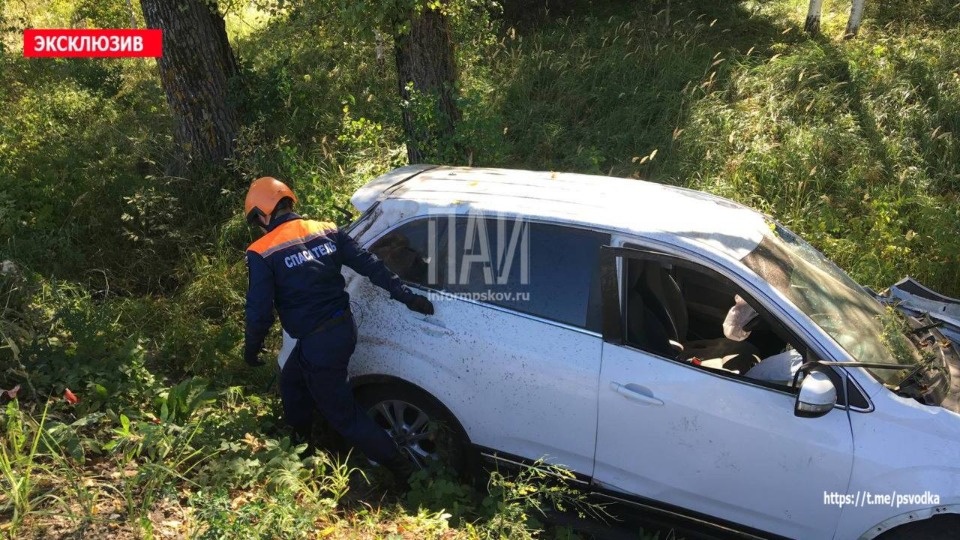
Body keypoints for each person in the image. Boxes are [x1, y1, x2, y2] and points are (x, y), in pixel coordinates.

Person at [242, 176, 433, 486]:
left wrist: (251, 349)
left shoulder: (261, 251)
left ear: (262, 214)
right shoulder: (326, 229)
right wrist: (407, 296)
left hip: (319, 345)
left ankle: (402, 469)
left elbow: (259, 311)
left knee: (343, 413)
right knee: (292, 382)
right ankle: (300, 443)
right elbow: (371, 265)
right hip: (342, 328)